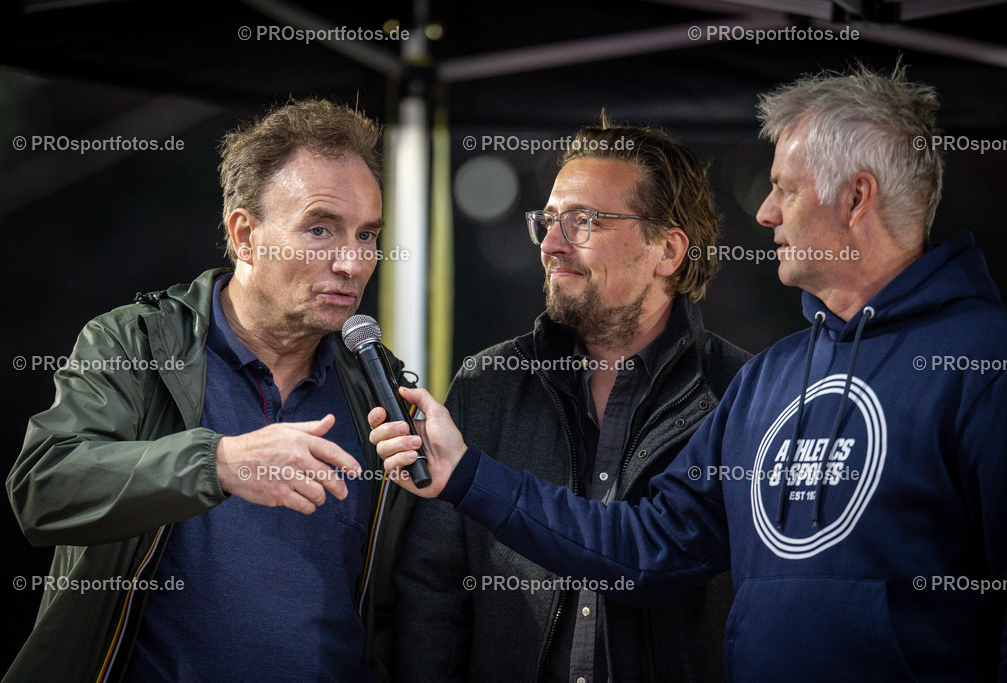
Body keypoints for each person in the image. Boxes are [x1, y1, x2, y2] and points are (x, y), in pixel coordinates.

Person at [371, 64, 1007, 680]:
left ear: (856, 197)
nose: (766, 212)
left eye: (785, 186)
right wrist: (467, 476)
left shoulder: (984, 365)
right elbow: (647, 548)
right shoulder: (773, 379)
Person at [5, 98, 416, 682]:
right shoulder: (136, 343)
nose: (353, 262)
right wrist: (217, 462)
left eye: (367, 234)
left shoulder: (378, 389)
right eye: (321, 229)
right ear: (244, 235)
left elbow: (409, 600)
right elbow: (42, 491)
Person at [395, 121, 749, 682]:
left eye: (583, 221)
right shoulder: (488, 382)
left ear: (668, 250)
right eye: (548, 220)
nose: (552, 243)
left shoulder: (741, 394)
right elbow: (431, 591)